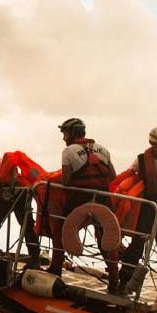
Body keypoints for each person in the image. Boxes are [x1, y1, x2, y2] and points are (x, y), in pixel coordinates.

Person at [47, 118, 120, 291]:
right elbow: (113, 176)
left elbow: (65, 181)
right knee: (106, 237)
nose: (64, 138)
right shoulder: (103, 149)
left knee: (62, 230)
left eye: (65, 133)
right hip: (103, 200)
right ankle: (114, 278)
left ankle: (56, 269)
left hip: (79, 200)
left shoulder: (68, 151)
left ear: (72, 134)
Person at [116, 127, 157, 300]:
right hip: (147, 208)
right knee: (137, 244)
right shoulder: (140, 161)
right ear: (151, 143)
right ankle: (123, 282)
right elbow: (129, 177)